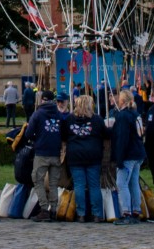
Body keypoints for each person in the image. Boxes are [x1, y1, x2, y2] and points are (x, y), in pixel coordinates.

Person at [60, 93, 105, 223]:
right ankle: (96, 214)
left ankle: (81, 214)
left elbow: (63, 136)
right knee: (94, 185)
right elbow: (106, 133)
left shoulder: (69, 119)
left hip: (75, 156)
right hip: (93, 155)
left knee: (79, 185)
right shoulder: (97, 120)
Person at [25, 91, 68, 221]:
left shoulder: (38, 114)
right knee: (54, 184)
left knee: (38, 180)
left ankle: (44, 209)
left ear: (42, 100)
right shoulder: (59, 115)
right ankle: (54, 210)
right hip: (55, 153)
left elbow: (28, 133)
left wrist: (36, 138)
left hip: (41, 153)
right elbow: (64, 133)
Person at [109, 88, 145, 222]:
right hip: (137, 152)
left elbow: (122, 138)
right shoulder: (135, 114)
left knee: (121, 183)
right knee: (133, 182)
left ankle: (126, 212)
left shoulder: (123, 116)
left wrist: (119, 158)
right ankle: (136, 209)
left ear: (122, 100)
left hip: (129, 154)